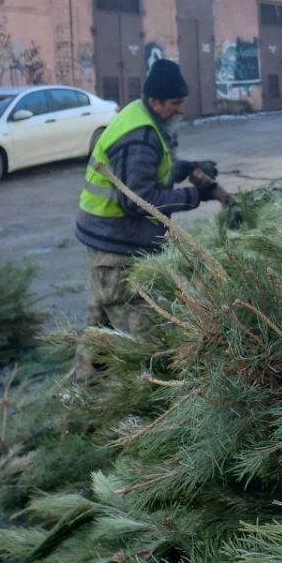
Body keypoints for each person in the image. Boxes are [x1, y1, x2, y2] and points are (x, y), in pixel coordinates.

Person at [72, 59, 231, 380]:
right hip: (116, 246)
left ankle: (82, 392)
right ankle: (142, 393)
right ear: (155, 100)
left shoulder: (147, 119)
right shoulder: (140, 135)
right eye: (175, 103)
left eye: (182, 102)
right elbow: (138, 201)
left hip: (110, 240)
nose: (180, 109)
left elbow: (150, 170)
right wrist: (196, 196)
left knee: (100, 323)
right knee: (141, 337)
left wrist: (187, 167)